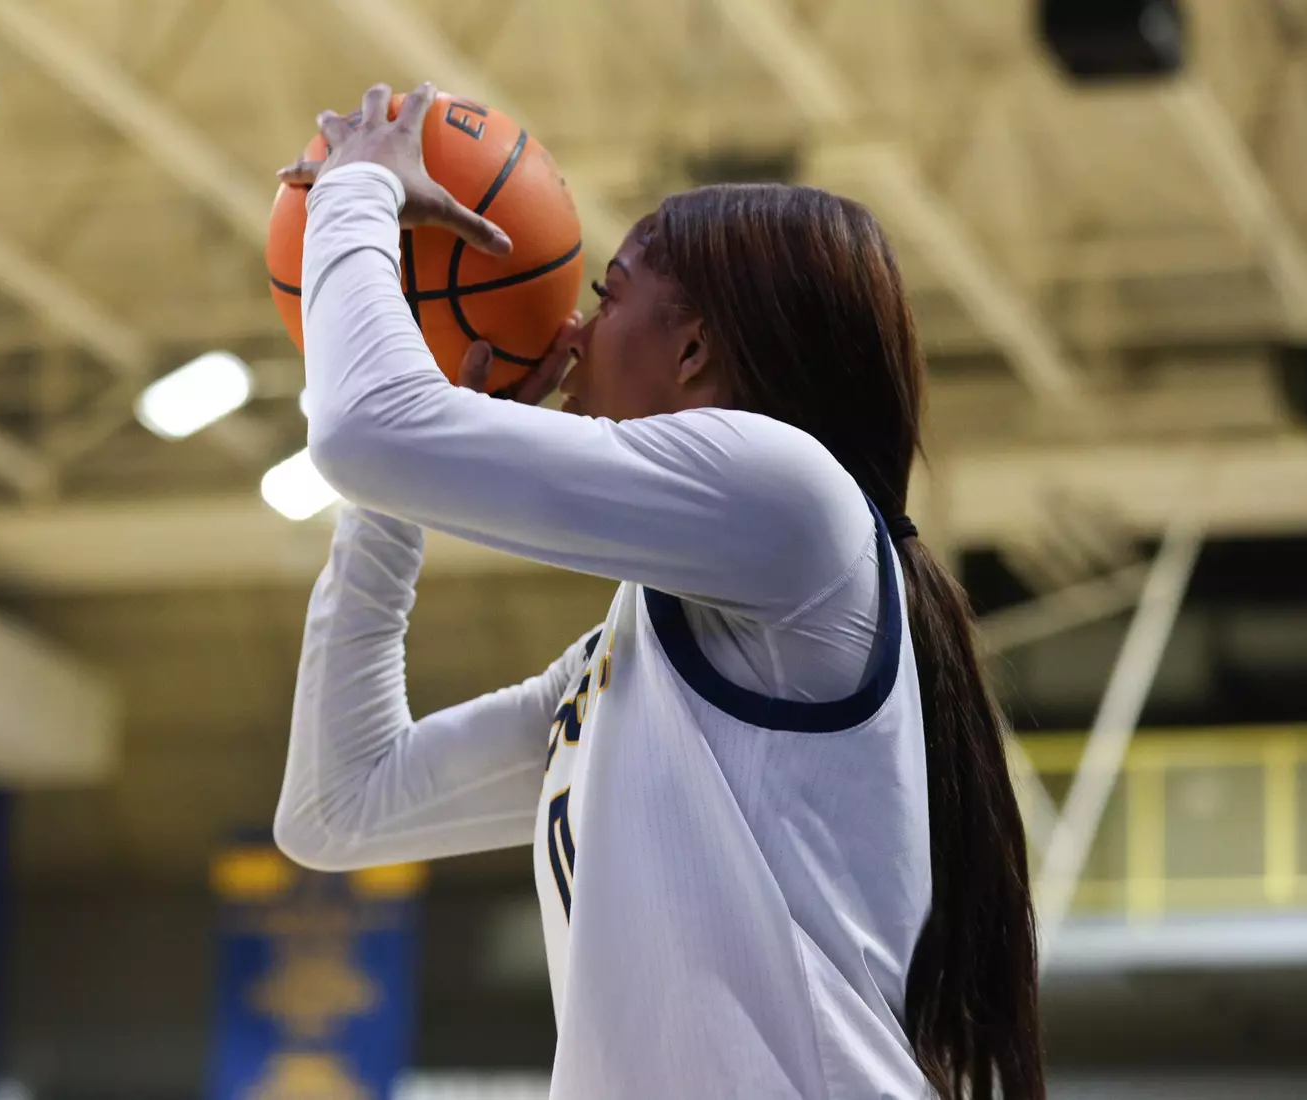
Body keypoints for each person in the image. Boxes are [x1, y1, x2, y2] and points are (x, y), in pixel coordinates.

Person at [271, 82, 1043, 1100]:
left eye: (605, 294)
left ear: (692, 351)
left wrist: (360, 185)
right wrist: (392, 496)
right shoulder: (631, 662)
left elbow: (364, 428)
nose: (575, 333)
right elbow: (340, 806)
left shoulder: (794, 496)